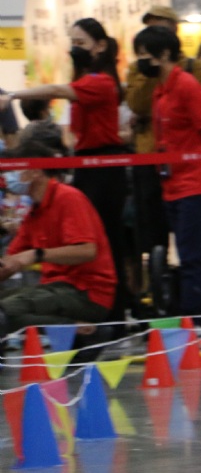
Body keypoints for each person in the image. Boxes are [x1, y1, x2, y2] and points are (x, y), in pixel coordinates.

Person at [0, 18, 131, 318]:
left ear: (100, 45)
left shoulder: (100, 82)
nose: (75, 49)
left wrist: (12, 96)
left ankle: (112, 317)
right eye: (72, 43)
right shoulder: (87, 80)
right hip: (85, 164)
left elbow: (59, 89)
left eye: (81, 43)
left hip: (103, 168)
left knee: (107, 242)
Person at [134, 25, 201, 317]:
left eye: (144, 55)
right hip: (173, 184)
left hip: (198, 183)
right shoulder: (159, 90)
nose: (140, 62)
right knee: (187, 256)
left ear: (164, 54)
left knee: (192, 257)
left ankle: (195, 320)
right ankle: (193, 315)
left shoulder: (186, 85)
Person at [127, 6, 201, 292]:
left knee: (192, 245)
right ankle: (156, 292)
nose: (154, 33)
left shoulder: (194, 69)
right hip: (151, 160)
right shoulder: (139, 70)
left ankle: (194, 301)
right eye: (149, 28)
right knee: (152, 235)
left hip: (190, 167)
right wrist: (153, 73)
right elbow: (137, 104)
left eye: (161, 26)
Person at [0, 141, 116, 333]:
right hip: (54, 288)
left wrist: (36, 254)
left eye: (14, 169)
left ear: (35, 171)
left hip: (86, 292)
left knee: (6, 311)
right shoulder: (35, 213)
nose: (8, 177)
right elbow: (9, 263)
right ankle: (75, 329)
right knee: (7, 309)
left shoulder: (68, 198)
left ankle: (81, 332)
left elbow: (87, 251)